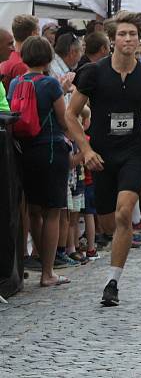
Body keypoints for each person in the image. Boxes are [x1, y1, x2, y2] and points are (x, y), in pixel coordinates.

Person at [66, 11, 141, 306]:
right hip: (101, 155)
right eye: (123, 34)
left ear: (140, 40)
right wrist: (86, 150)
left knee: (124, 214)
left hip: (133, 151)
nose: (129, 39)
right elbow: (70, 115)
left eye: (133, 34)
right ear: (112, 40)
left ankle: (113, 282)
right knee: (109, 221)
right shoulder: (93, 73)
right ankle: (113, 250)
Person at [7, 36, 73, 287]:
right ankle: (48, 272)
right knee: (53, 211)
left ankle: (37, 259)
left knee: (33, 210)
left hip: (25, 151)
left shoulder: (15, 82)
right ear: (48, 58)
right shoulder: (50, 84)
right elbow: (63, 119)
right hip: (51, 150)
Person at [1, 14, 39, 90]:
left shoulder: (6, 57)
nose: (39, 36)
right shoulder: (21, 65)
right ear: (33, 34)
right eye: (38, 32)